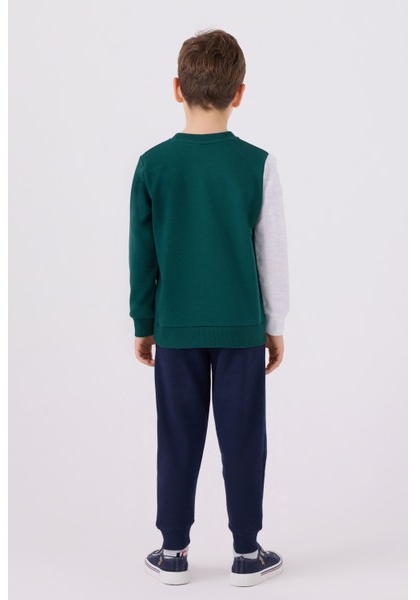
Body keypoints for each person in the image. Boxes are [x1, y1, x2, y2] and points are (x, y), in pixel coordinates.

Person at [128, 28, 289, 587]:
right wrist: (274, 324)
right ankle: (247, 553)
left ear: (177, 88)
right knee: (244, 438)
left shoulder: (152, 165)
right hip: (242, 327)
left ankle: (172, 551)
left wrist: (144, 322)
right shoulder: (257, 163)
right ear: (239, 93)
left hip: (174, 326)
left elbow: (142, 252)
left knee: (177, 436)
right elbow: (271, 251)